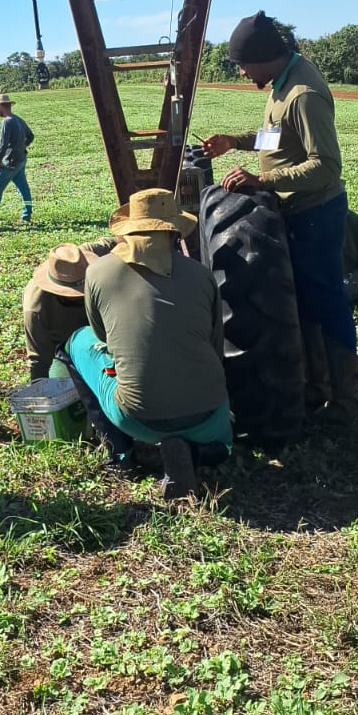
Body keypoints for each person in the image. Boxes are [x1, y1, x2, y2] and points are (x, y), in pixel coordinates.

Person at [200, 10, 358, 413]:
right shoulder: (281, 83)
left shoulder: (303, 94)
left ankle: (346, 397)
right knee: (305, 299)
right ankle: (317, 387)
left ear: (261, 57)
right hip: (296, 210)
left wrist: (262, 181)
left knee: (326, 300)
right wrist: (235, 141)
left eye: (242, 65)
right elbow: (278, 137)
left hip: (315, 214)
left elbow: (326, 165)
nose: (241, 73)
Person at [57, 189, 232, 491]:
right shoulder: (202, 274)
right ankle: (199, 452)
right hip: (210, 419)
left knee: (76, 342)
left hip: (139, 420)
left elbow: (102, 336)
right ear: (174, 232)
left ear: (128, 231)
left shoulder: (98, 272)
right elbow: (215, 345)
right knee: (221, 442)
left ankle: (122, 456)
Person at [22, 241, 112, 381]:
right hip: (64, 349)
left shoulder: (77, 260)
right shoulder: (36, 310)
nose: (81, 294)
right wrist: (41, 391)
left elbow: (116, 241)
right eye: (75, 294)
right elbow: (38, 361)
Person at [0, 94, 34, 224]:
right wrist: (21, 146)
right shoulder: (18, 119)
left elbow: (3, 144)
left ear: (0, 106)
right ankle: (27, 215)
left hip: (11, 162)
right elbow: (31, 136)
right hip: (21, 159)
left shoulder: (7, 121)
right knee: (23, 188)